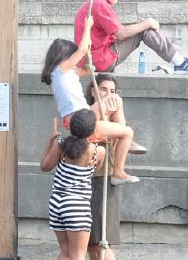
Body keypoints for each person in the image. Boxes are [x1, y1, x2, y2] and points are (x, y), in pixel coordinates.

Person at [40, 16, 137, 185]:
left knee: (117, 108)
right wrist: (88, 27)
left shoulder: (63, 74)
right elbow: (82, 50)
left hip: (81, 117)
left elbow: (86, 69)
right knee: (125, 126)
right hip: (82, 119)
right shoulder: (60, 70)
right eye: (72, 56)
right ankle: (119, 170)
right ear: (63, 56)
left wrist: (89, 63)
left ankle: (123, 138)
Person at [40, 110, 106, 260]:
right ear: (93, 130)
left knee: (65, 253)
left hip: (57, 202)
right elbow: (95, 171)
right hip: (77, 204)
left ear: (69, 126)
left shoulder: (61, 145)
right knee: (78, 256)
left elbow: (45, 167)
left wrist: (50, 141)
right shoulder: (98, 151)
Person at [78, 74, 131, 260]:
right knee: (91, 243)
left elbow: (126, 133)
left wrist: (115, 108)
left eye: (112, 90)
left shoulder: (113, 114)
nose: (108, 94)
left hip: (105, 178)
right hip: (88, 178)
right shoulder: (87, 111)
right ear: (92, 90)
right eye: (103, 89)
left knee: (102, 242)